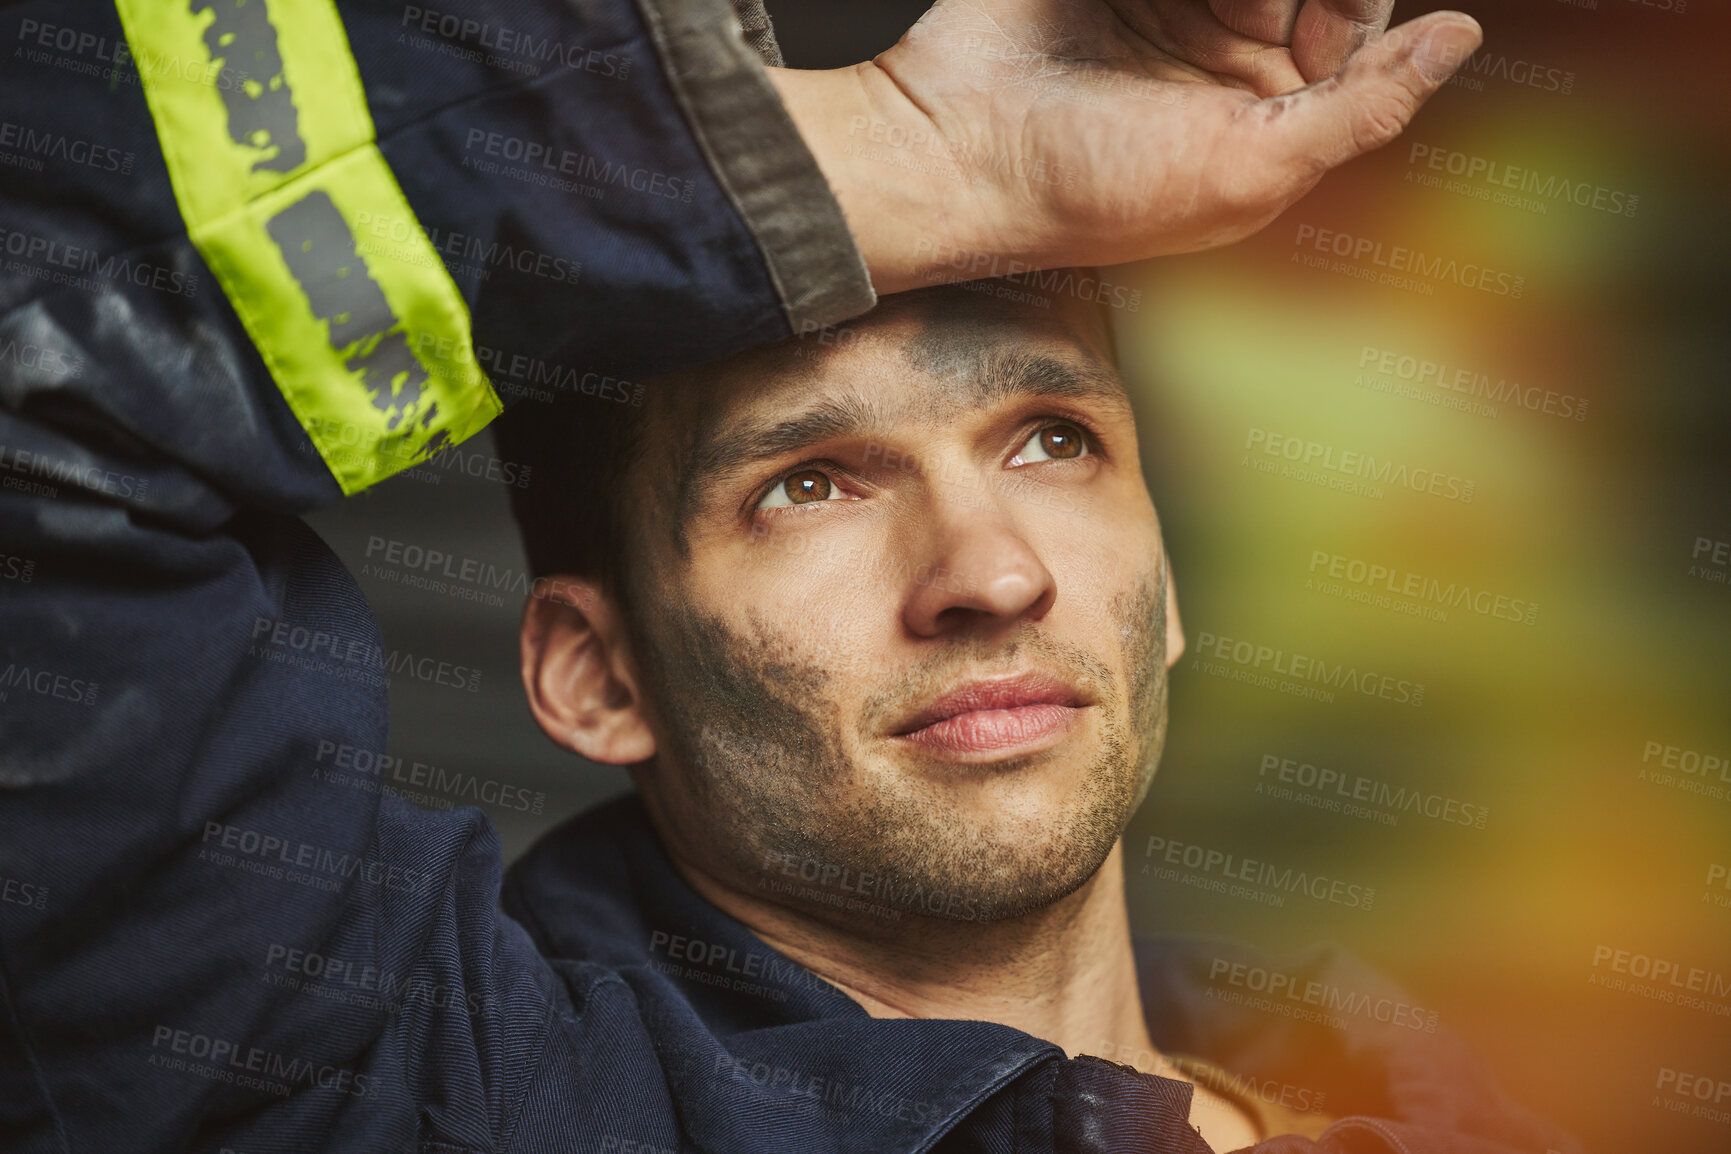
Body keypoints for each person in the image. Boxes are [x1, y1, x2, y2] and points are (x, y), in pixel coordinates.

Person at [0, 0, 1500, 1150]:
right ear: (597, 673)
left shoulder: (1442, 1085)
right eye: (808, 483)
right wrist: (905, 155)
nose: (988, 573)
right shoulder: (424, 1102)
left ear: (1169, 592)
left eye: (1050, 441)